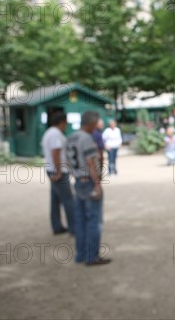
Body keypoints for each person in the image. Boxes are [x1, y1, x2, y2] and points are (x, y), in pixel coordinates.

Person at [67, 111, 111, 266]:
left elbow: (67, 161)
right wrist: (97, 183)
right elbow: (90, 162)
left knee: (80, 220)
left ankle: (80, 254)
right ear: (92, 123)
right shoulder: (86, 138)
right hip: (89, 181)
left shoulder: (71, 137)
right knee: (94, 220)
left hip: (78, 181)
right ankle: (92, 256)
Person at [41, 111, 74, 235]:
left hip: (51, 169)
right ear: (62, 122)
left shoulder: (49, 132)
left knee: (55, 200)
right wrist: (59, 171)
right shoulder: (55, 134)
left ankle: (57, 226)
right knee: (68, 200)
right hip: (58, 171)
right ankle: (74, 227)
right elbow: (56, 152)